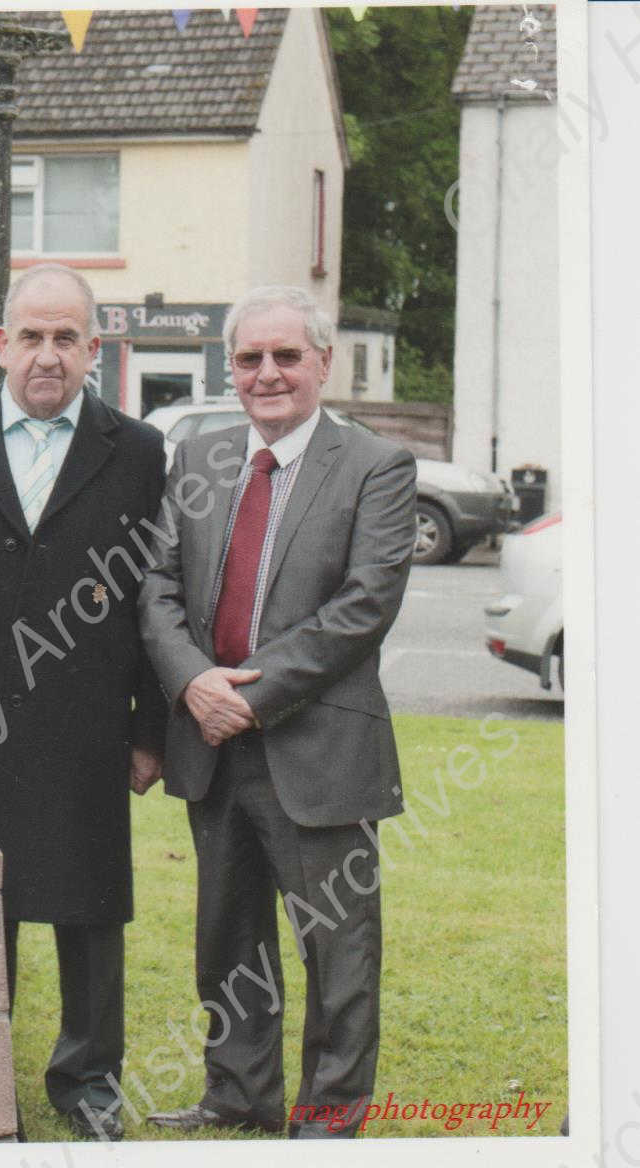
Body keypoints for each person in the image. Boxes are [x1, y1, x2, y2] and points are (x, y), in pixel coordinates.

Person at [138, 285, 417, 1139]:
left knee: (338, 952)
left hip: (318, 747)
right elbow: (155, 587)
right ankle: (238, 1093)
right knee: (228, 939)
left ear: (323, 363)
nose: (267, 374)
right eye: (250, 358)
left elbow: (363, 608)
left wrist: (244, 698)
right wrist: (193, 683)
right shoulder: (200, 458)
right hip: (211, 745)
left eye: (286, 356)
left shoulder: (376, 466)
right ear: (231, 368)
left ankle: (327, 1122)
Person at [0, 264, 166, 1142]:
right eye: (31, 337)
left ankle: (88, 1080)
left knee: (91, 905)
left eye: (65, 338)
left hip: (89, 721)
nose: (47, 355)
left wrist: (150, 728)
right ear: (1, 344)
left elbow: (156, 598)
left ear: (94, 348)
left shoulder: (139, 452)